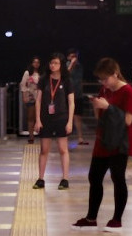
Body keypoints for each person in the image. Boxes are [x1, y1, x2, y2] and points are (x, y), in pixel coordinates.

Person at [72, 57, 132, 232]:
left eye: (105, 78)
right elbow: (99, 115)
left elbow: (128, 121)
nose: (103, 82)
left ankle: (117, 219)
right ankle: (91, 218)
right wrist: (97, 105)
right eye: (101, 79)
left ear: (115, 74)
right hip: (104, 138)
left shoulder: (127, 91)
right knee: (94, 176)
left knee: (118, 178)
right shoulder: (104, 89)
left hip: (119, 140)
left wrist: (108, 107)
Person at [33, 52, 75, 190]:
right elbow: (38, 100)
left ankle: (65, 179)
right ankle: (40, 179)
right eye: (51, 63)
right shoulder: (44, 79)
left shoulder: (67, 80)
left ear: (61, 65)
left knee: (63, 149)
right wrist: (38, 120)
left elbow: (71, 102)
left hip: (61, 118)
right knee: (44, 150)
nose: (53, 65)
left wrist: (69, 122)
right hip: (46, 118)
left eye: (56, 63)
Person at [66, 48, 87, 145]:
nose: (74, 58)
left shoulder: (80, 66)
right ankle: (64, 136)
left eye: (75, 56)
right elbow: (65, 75)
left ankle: (80, 137)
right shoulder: (66, 65)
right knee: (66, 116)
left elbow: (80, 80)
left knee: (78, 116)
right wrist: (71, 64)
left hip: (78, 94)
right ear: (68, 57)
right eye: (72, 56)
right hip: (67, 94)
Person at [19, 56, 41, 143]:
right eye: (34, 62)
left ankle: (40, 133)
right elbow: (23, 85)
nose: (36, 64)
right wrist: (24, 96)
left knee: (38, 117)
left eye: (38, 62)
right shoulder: (27, 73)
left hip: (39, 97)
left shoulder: (41, 73)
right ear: (32, 63)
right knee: (31, 117)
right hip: (31, 97)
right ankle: (31, 136)